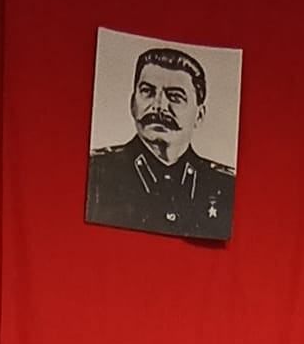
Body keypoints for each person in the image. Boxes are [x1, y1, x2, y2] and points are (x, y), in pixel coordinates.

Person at [85, 45, 235, 241]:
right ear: (132, 103)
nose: (159, 106)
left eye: (175, 97)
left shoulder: (224, 185)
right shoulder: (97, 172)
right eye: (147, 92)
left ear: (199, 115)